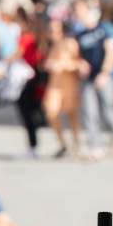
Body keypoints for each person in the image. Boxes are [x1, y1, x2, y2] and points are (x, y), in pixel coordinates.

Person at [74, 0, 113, 161]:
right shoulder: (80, 34)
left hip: (104, 76)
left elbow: (111, 52)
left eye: (80, 10)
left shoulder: (103, 29)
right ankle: (95, 147)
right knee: (89, 112)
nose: (77, 14)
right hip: (88, 78)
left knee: (108, 110)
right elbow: (77, 55)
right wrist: (80, 63)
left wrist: (105, 73)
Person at [42, 20, 82, 159]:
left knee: (72, 115)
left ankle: (76, 145)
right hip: (55, 85)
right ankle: (63, 144)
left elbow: (79, 64)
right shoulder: (52, 46)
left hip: (68, 84)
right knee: (50, 113)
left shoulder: (70, 44)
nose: (52, 33)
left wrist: (63, 65)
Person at [13, 9, 47, 159]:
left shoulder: (26, 38)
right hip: (37, 81)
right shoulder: (40, 38)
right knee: (32, 113)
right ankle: (34, 146)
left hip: (26, 81)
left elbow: (14, 56)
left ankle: (32, 147)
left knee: (26, 114)